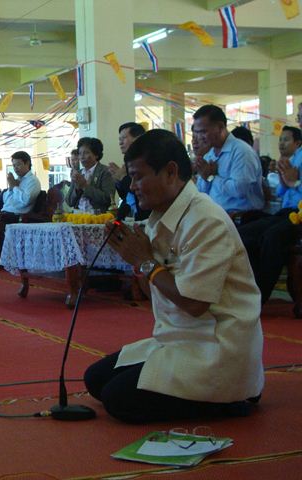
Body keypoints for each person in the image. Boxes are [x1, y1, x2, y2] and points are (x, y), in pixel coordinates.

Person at [84, 129, 264, 423]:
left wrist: (144, 261)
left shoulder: (206, 220)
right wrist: (137, 262)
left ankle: (233, 398)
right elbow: (155, 291)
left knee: (118, 399)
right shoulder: (160, 217)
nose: (133, 186)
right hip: (176, 339)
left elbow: (194, 304)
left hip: (215, 348)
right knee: (96, 380)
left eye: (138, 177)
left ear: (170, 172)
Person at [238, 126, 302, 303]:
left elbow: (294, 184)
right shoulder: (292, 158)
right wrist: (284, 179)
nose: (282, 143)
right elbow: (281, 191)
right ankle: (245, 291)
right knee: (245, 233)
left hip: (299, 216)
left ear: (297, 142)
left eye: (286, 139)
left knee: (272, 237)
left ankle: (258, 297)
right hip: (287, 212)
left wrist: (294, 182)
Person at [193, 105, 264, 214]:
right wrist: (205, 178)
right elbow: (201, 192)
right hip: (216, 215)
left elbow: (240, 190)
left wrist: (212, 177)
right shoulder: (209, 155)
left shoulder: (241, 151)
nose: (199, 137)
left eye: (203, 132)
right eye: (197, 133)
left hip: (242, 218)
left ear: (220, 127)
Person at [109, 122, 150, 220]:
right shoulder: (127, 162)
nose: (120, 142)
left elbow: (142, 189)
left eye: (123, 138)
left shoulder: (146, 160)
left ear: (138, 138)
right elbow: (127, 195)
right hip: (130, 215)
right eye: (119, 139)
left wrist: (123, 178)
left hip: (145, 216)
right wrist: (118, 181)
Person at [66, 137, 115, 213]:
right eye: (80, 153)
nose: (82, 157)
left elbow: (108, 199)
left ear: (96, 155)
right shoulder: (78, 174)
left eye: (86, 153)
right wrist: (77, 190)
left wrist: (85, 186)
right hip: (78, 215)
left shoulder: (105, 171)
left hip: (98, 216)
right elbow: (69, 202)